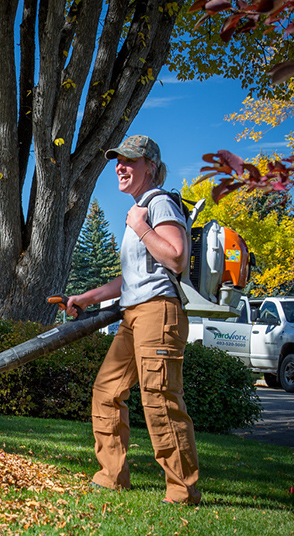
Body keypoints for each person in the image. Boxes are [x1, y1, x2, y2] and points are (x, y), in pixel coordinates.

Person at [63, 135, 201, 506]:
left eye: (129, 161)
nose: (120, 167)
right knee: (107, 391)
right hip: (134, 313)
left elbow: (175, 258)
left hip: (159, 312)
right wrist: (86, 298)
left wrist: (141, 226)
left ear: (150, 168)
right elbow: (132, 277)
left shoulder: (159, 205)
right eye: (117, 161)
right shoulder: (140, 209)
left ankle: (182, 490)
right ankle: (111, 476)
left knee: (159, 398)